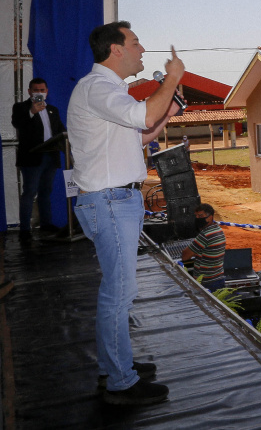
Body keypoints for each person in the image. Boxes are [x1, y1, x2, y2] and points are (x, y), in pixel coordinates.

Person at [69, 21, 179, 404]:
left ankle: (116, 365)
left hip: (116, 201)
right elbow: (143, 119)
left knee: (119, 292)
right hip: (111, 202)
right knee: (118, 295)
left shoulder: (109, 92)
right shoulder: (97, 87)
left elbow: (143, 133)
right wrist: (172, 79)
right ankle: (120, 382)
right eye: (135, 43)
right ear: (115, 50)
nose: (142, 49)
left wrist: (168, 108)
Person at [12, 77, 66, 241]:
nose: (39, 93)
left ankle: (46, 223)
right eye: (36, 90)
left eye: (42, 90)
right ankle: (24, 230)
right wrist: (31, 112)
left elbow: (60, 131)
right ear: (29, 92)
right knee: (29, 192)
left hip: (50, 156)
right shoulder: (21, 107)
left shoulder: (53, 110)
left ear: (47, 92)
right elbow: (18, 124)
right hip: (32, 159)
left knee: (45, 192)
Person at [180, 203, 226, 292]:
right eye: (196, 216)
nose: (197, 218)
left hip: (206, 282)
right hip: (218, 278)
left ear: (210, 217)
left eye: (201, 216)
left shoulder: (205, 235)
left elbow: (185, 256)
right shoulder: (219, 230)